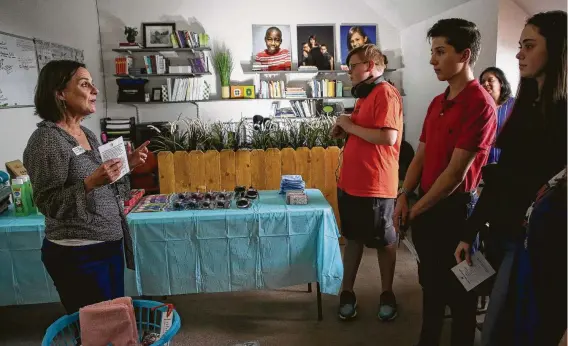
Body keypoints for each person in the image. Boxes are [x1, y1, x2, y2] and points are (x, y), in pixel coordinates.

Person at [454, 10, 567, 346]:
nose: (519, 54)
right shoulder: (524, 108)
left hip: (543, 249)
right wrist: (469, 231)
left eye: (529, 45)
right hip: (507, 237)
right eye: (520, 45)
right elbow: (502, 180)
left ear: (557, 48)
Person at [393, 18, 497, 346]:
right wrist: (402, 195)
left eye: (440, 52)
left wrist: (416, 209)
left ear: (464, 55)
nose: (432, 60)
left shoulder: (480, 104)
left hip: (454, 212)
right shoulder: (438, 102)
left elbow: (454, 176)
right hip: (426, 205)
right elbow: (420, 156)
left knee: (461, 298)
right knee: (431, 289)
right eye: (432, 51)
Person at [23, 60, 150, 314]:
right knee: (96, 328)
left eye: (92, 83)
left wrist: (128, 165)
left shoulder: (87, 134)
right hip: (78, 254)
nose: (95, 90)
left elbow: (109, 187)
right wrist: (89, 183)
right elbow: (49, 204)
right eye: (84, 84)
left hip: (108, 244)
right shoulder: (47, 140)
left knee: (113, 321)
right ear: (59, 93)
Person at [332, 44, 403, 322]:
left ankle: (387, 293)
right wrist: (347, 125)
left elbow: (388, 137)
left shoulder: (386, 92)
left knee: (385, 240)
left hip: (376, 185)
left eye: (353, 66)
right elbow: (366, 130)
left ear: (371, 66)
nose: (349, 72)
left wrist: (350, 127)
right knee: (352, 239)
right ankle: (346, 291)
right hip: (351, 183)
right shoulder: (365, 94)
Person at [479, 67, 515, 164]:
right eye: (482, 82)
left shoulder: (515, 105)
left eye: (490, 80)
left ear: (501, 83)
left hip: (507, 164)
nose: (485, 84)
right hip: (483, 164)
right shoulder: (479, 108)